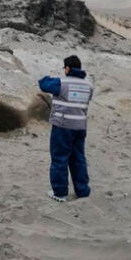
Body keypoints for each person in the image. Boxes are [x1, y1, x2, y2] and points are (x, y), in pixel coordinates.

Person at [38, 55, 94, 202]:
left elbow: (43, 83)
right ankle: (82, 190)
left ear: (68, 68)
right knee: (78, 158)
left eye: (64, 68)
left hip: (63, 126)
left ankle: (60, 192)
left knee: (59, 159)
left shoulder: (61, 83)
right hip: (80, 126)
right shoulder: (89, 85)